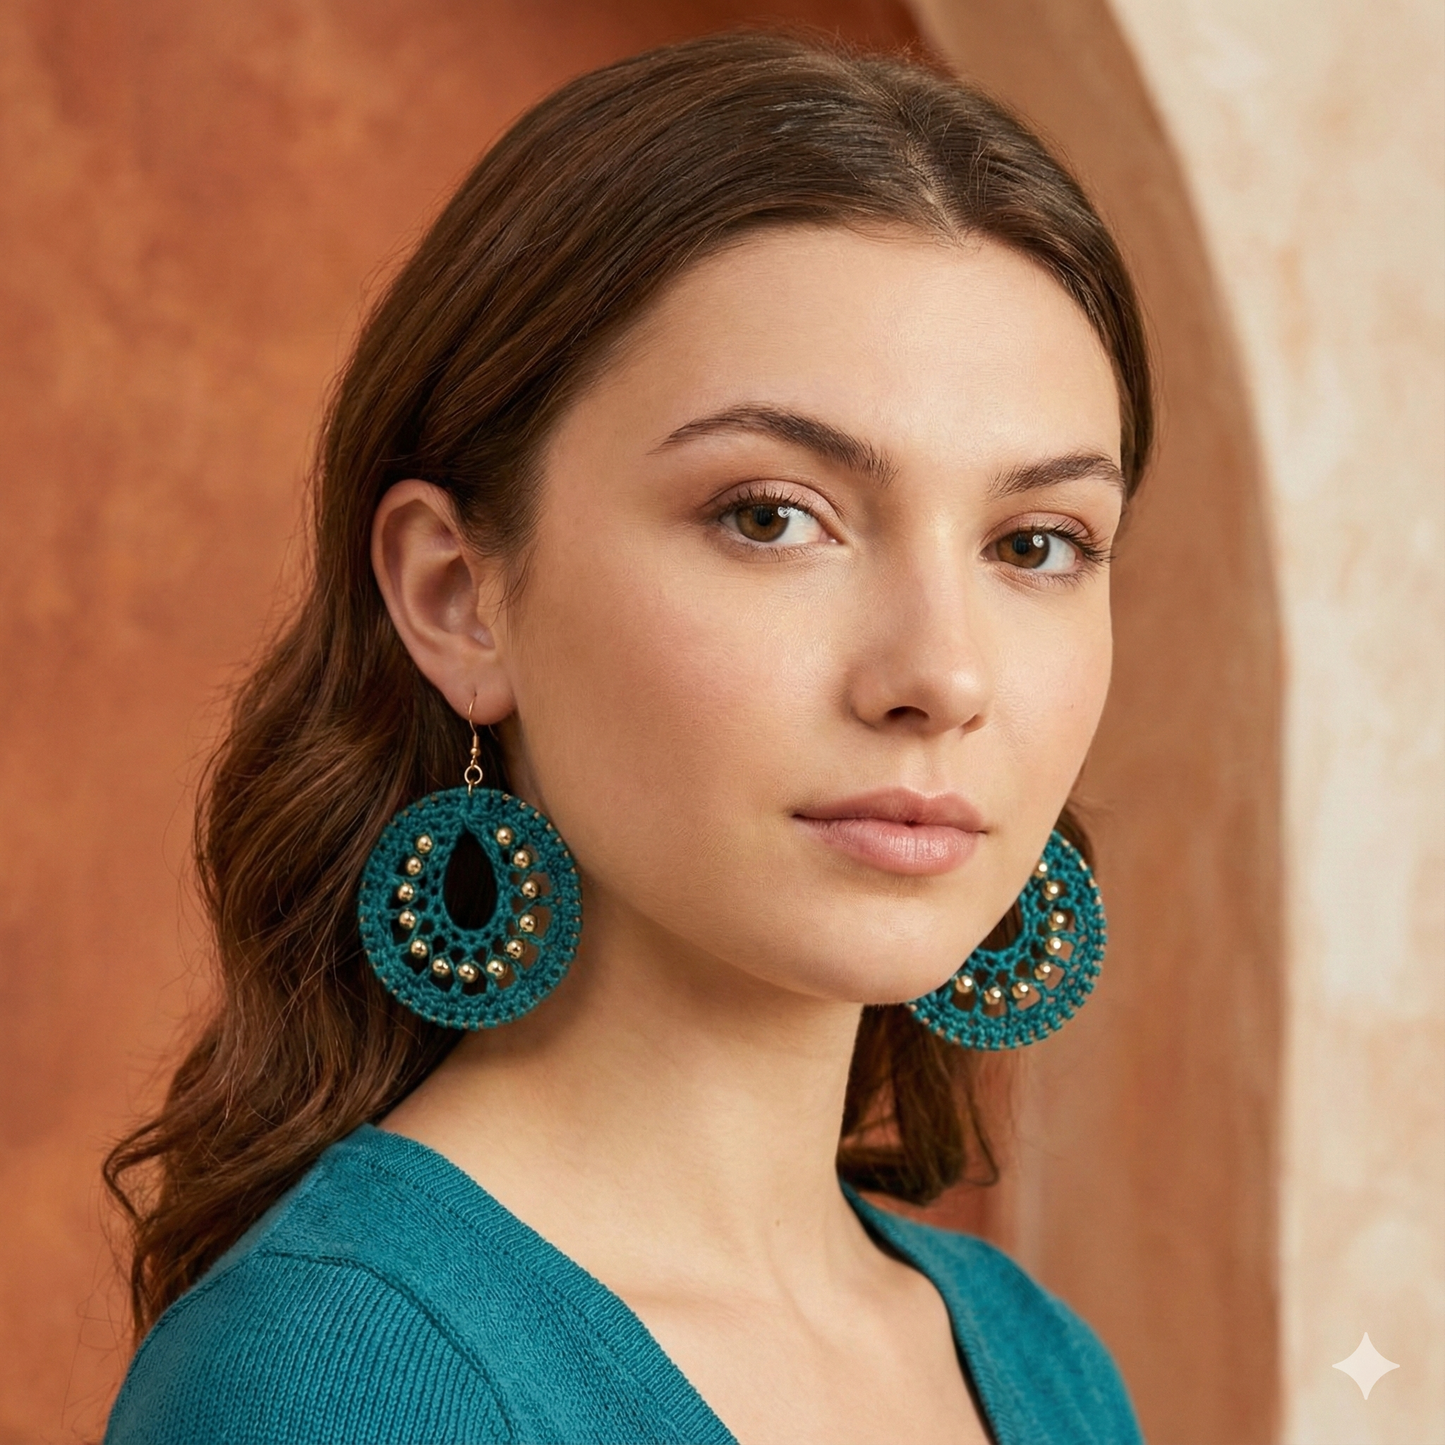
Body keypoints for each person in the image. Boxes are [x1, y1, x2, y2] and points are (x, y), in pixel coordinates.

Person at [103, 31, 1151, 1445]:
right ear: (457, 595)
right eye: (771, 515)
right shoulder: (341, 1380)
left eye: (1037, 543)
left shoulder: (1040, 1366)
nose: (943, 674)